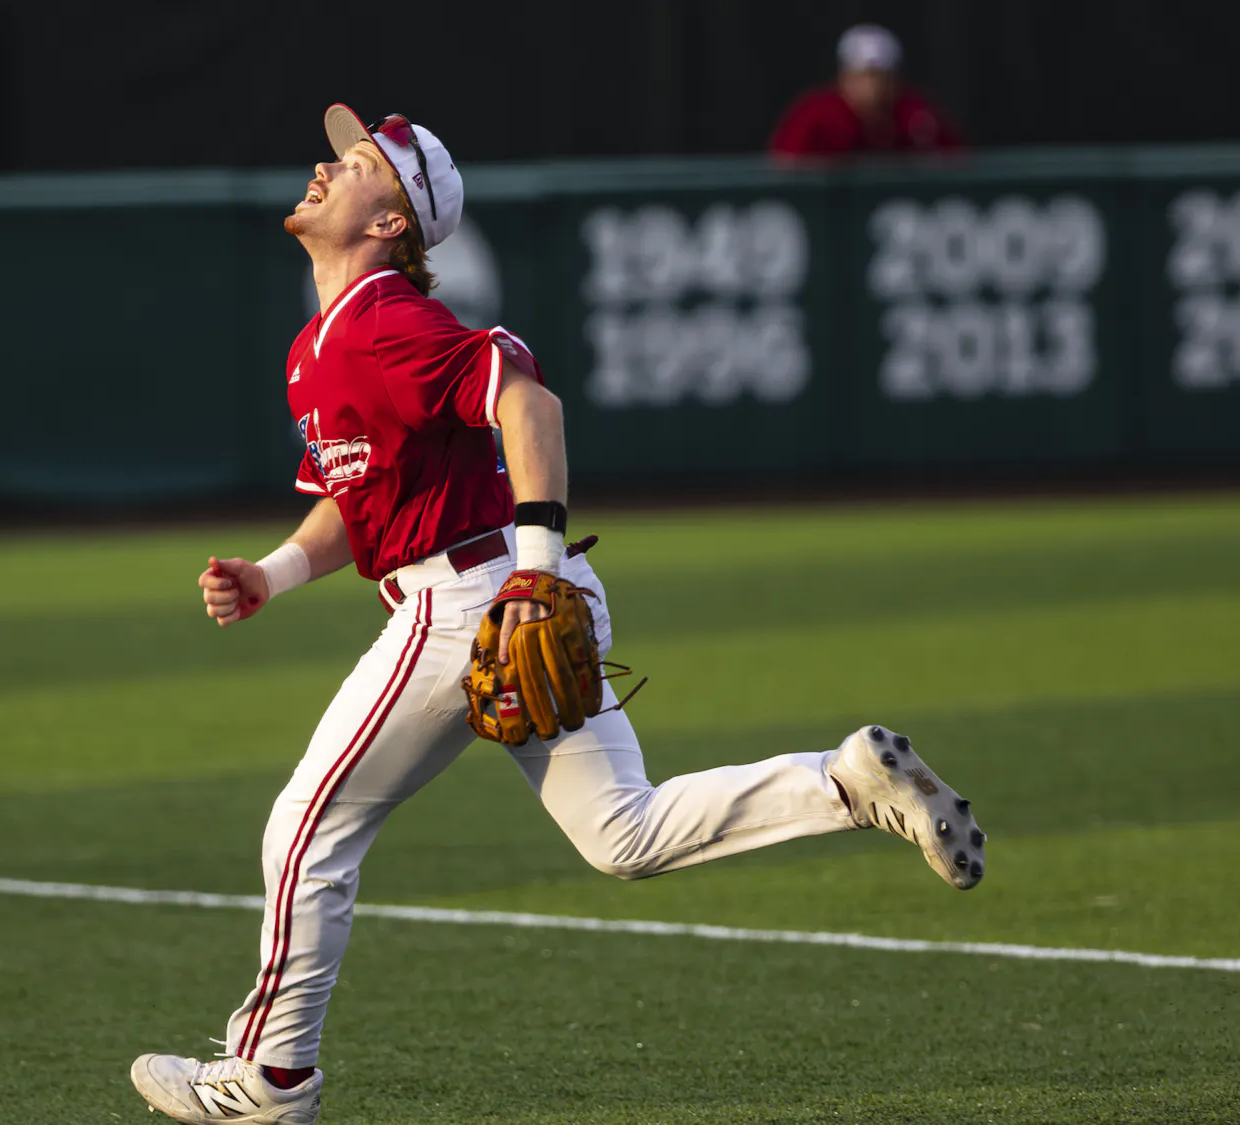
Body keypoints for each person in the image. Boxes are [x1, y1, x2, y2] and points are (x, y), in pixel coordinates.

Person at [129, 104, 986, 1124]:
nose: (324, 165)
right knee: (621, 833)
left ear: (391, 222)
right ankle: (843, 783)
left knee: (307, 834)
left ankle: (270, 1081)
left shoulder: (385, 320)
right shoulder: (323, 343)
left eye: (355, 164)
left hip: (476, 599)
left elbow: (528, 402)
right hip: (501, 582)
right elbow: (357, 505)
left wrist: (533, 567)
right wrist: (272, 574)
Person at [769, 24, 964, 162]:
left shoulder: (915, 115)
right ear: (843, 78)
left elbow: (957, 164)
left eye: (882, 77)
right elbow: (783, 168)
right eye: (863, 76)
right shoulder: (817, 115)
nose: (874, 87)